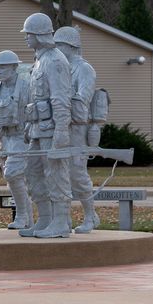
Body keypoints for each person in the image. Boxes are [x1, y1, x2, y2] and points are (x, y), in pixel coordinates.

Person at [18, 12, 73, 238]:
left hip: (52, 130)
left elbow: (60, 99)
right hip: (37, 130)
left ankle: (61, 222)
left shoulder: (56, 60)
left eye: (29, 34)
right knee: (32, 172)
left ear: (40, 35)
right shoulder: (39, 60)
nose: (26, 38)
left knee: (56, 175)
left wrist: (61, 131)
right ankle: (45, 219)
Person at [0, 50, 34, 229]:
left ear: (14, 67)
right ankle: (28, 219)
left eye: (3, 67)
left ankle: (21, 216)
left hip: (22, 137)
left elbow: (35, 112)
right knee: (14, 180)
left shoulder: (26, 86)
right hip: (5, 139)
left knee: (12, 174)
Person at [53, 26, 99, 233]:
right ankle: (65, 219)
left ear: (71, 46)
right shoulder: (61, 68)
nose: (57, 49)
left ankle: (91, 216)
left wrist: (62, 100)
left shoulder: (84, 68)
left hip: (78, 128)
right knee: (60, 174)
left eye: (60, 45)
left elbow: (83, 98)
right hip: (61, 125)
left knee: (77, 174)